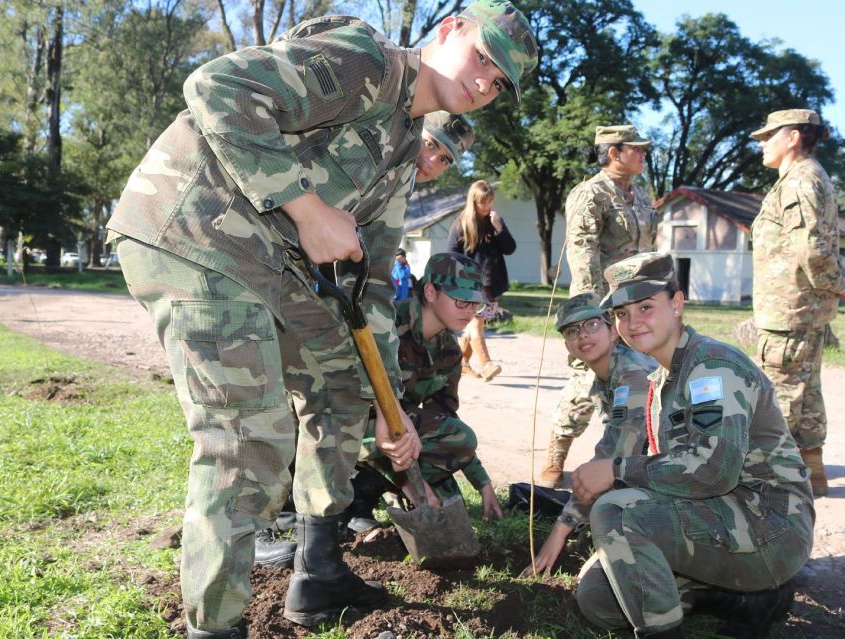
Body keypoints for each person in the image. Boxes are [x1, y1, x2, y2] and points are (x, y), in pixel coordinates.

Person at [106, 2, 537, 636]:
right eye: (483, 57)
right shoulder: (366, 62)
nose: (483, 84)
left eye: (499, 83)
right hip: (194, 234)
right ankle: (215, 625)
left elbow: (374, 289)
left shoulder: (401, 151)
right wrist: (307, 209)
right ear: (449, 30)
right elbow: (215, 86)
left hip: (269, 265)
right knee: (248, 434)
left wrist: (390, 408)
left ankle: (319, 565)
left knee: (345, 386)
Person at [253, 109, 478, 562]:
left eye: (446, 159)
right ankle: (261, 523)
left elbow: (372, 272)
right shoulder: (372, 155)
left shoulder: (401, 186)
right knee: (278, 405)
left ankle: (334, 508)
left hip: (331, 298)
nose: (433, 159)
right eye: (431, 144)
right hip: (277, 275)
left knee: (338, 402)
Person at [570, 252, 814, 639]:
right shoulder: (659, 379)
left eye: (646, 307)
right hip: (718, 513)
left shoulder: (713, 365)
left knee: (616, 513)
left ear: (677, 304)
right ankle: (735, 598)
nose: (633, 322)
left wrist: (616, 471)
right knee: (599, 597)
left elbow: (714, 469)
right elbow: (673, 469)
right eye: (621, 313)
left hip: (771, 527)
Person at [750, 108, 845, 498]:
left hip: (789, 312)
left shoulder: (800, 180)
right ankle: (812, 474)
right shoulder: (809, 178)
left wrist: (839, 286)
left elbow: (813, 249)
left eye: (770, 136)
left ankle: (775, 488)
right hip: (801, 309)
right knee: (807, 393)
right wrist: (838, 285)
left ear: (794, 137)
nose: (763, 143)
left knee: (778, 396)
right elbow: (820, 240)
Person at [540, 124, 657, 488]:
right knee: (587, 382)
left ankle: (632, 458)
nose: (642, 154)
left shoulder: (639, 195)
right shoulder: (591, 193)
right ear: (613, 152)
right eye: (635, 149)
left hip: (635, 305)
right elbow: (582, 250)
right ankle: (555, 458)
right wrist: (594, 312)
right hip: (601, 308)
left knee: (641, 380)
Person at [359, 252, 504, 521]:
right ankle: (360, 488)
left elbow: (444, 419)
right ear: (430, 292)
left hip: (399, 436)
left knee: (453, 495)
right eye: (461, 301)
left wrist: (482, 483)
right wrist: (415, 486)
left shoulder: (448, 350)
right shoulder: (386, 326)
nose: (470, 311)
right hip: (351, 425)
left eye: (475, 303)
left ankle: (379, 483)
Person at [520, 292, 656, 577]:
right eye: (572, 330)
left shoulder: (632, 374)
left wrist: (561, 529)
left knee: (608, 501)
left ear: (613, 331)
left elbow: (615, 454)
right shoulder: (608, 374)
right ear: (568, 345)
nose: (582, 335)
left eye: (592, 324)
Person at [448, 179, 516, 382]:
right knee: (476, 323)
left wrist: (499, 228)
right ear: (473, 201)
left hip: (491, 285)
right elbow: (451, 254)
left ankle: (462, 363)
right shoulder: (461, 224)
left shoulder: (495, 222)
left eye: (490, 202)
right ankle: (486, 364)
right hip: (470, 285)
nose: (487, 207)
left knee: (475, 325)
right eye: (482, 203)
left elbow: (510, 249)